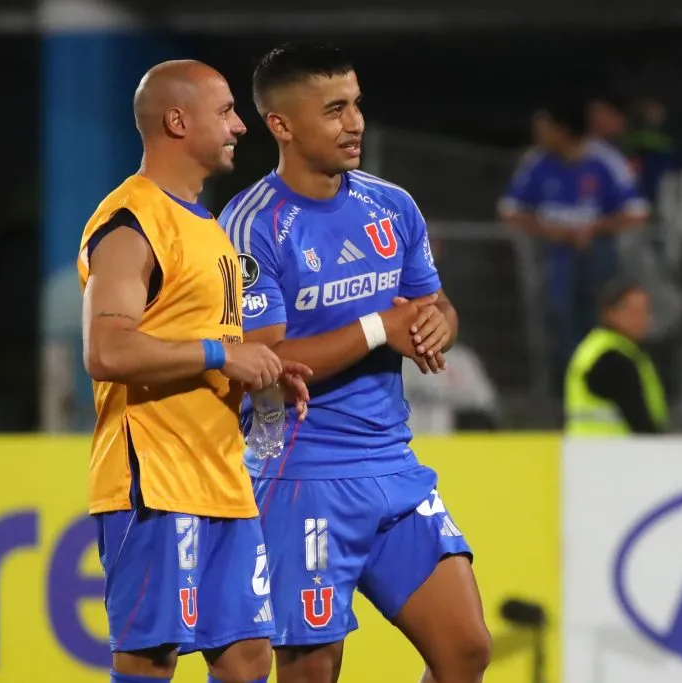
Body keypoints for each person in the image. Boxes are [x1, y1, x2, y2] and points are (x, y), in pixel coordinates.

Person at [218, 43, 491, 683]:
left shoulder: (391, 206)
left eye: (357, 104)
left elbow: (436, 306)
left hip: (393, 465)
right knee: (314, 669)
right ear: (281, 125)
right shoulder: (253, 225)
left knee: (467, 651)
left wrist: (433, 325)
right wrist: (377, 328)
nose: (356, 122)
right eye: (335, 109)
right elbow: (267, 360)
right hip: (299, 473)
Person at [77, 60, 311, 683]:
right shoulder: (130, 222)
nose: (240, 125)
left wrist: (257, 372)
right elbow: (107, 350)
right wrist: (219, 355)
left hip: (221, 477)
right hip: (155, 479)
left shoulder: (208, 227)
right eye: (227, 110)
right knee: (152, 661)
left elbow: (203, 337)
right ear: (177, 120)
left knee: (248, 659)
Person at [498, 101, 650, 385]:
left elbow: (637, 212)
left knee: (601, 320)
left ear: (562, 129)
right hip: (552, 263)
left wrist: (594, 229)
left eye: (544, 127)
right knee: (557, 325)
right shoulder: (537, 162)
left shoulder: (605, 160)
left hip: (600, 262)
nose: (538, 133)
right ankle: (561, 387)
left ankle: (609, 381)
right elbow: (509, 211)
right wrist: (555, 232)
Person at [564, 280, 668, 435]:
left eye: (645, 311)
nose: (643, 319)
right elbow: (639, 420)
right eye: (634, 312)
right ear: (611, 313)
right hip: (613, 451)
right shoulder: (613, 358)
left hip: (586, 450)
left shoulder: (596, 347)